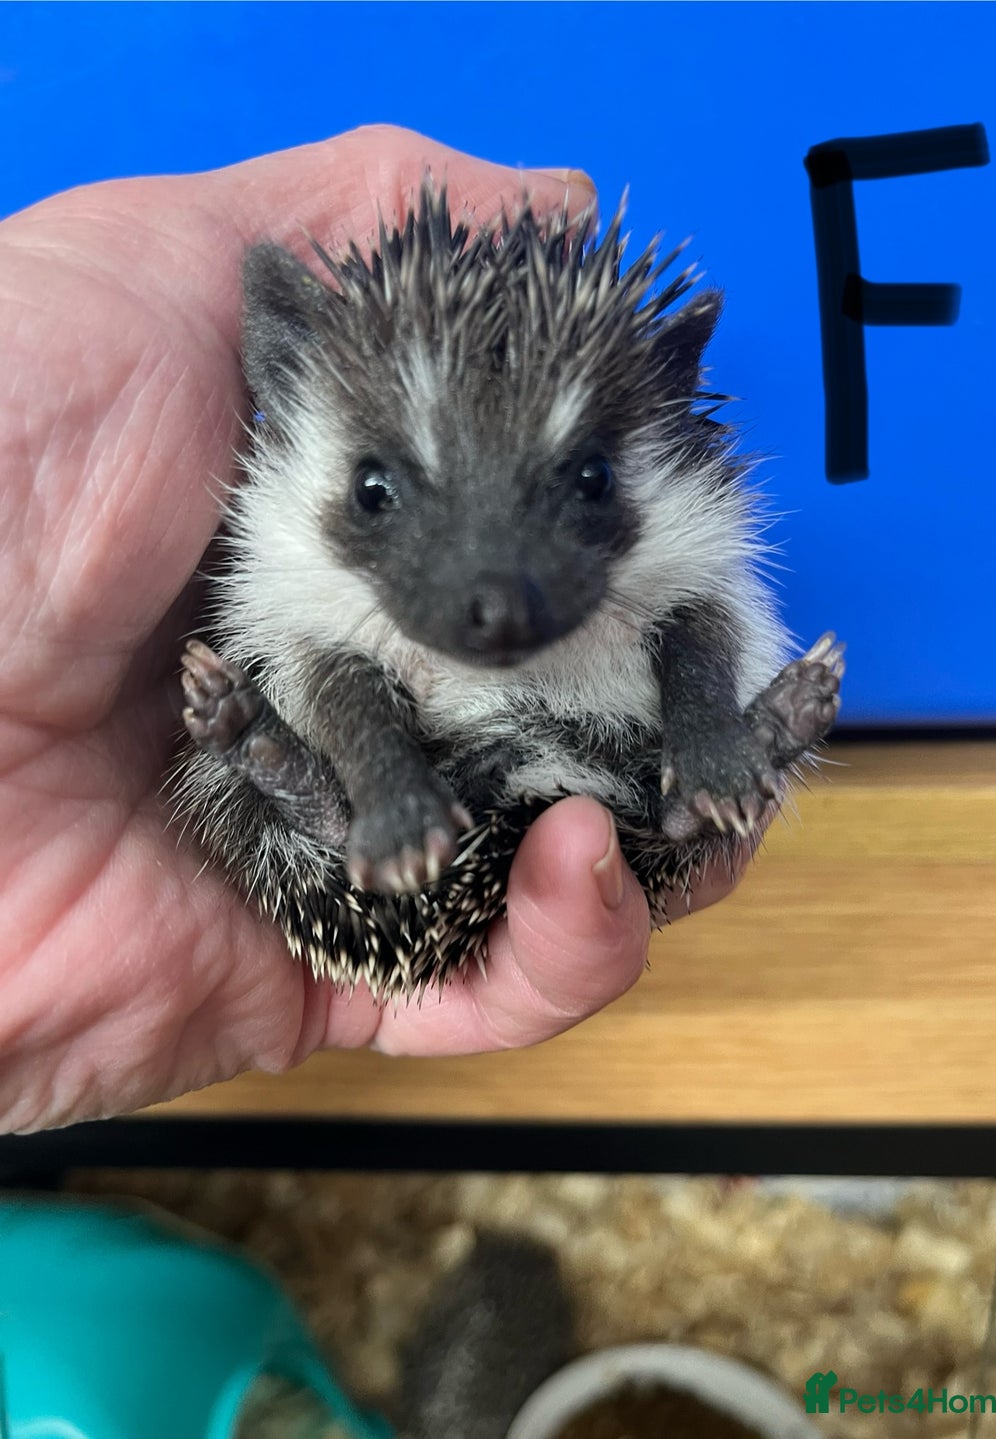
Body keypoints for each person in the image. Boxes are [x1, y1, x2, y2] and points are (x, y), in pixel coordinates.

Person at [0, 125, 747, 1136]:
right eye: (381, 491)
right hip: (370, 796)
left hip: (565, 756)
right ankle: (322, 789)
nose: (494, 592)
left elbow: (703, 620)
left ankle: (318, 783)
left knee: (667, 761)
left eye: (585, 482)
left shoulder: (677, 560)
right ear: (283, 376)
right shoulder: (303, 581)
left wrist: (711, 726)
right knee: (317, 703)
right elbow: (330, 666)